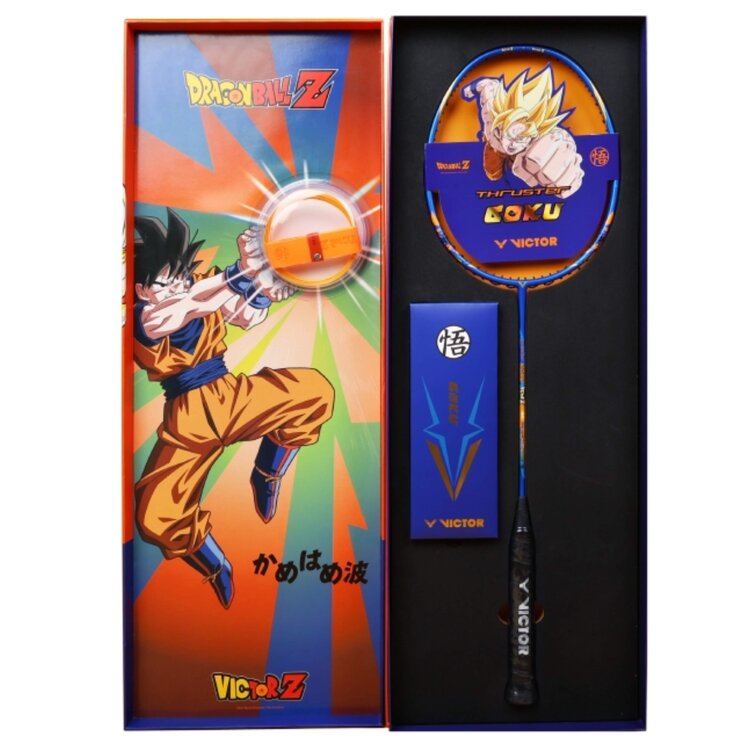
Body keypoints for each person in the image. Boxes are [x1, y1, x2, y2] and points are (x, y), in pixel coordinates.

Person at [133, 208, 334, 608]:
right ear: (141, 290)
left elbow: (243, 315)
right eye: (166, 282)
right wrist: (245, 272)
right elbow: (188, 306)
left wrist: (264, 286)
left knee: (314, 393)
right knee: (156, 515)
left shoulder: (198, 289)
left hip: (231, 395)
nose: (179, 286)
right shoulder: (147, 318)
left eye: (181, 277)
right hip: (188, 421)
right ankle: (215, 564)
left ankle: (266, 473)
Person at [463, 66, 584, 197]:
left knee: (522, 168)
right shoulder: (491, 112)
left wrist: (566, 175)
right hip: (495, 147)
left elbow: (558, 140)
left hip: (521, 154)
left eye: (521, 139)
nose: (513, 144)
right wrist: (469, 90)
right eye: (511, 135)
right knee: (493, 174)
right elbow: (488, 84)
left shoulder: (540, 136)